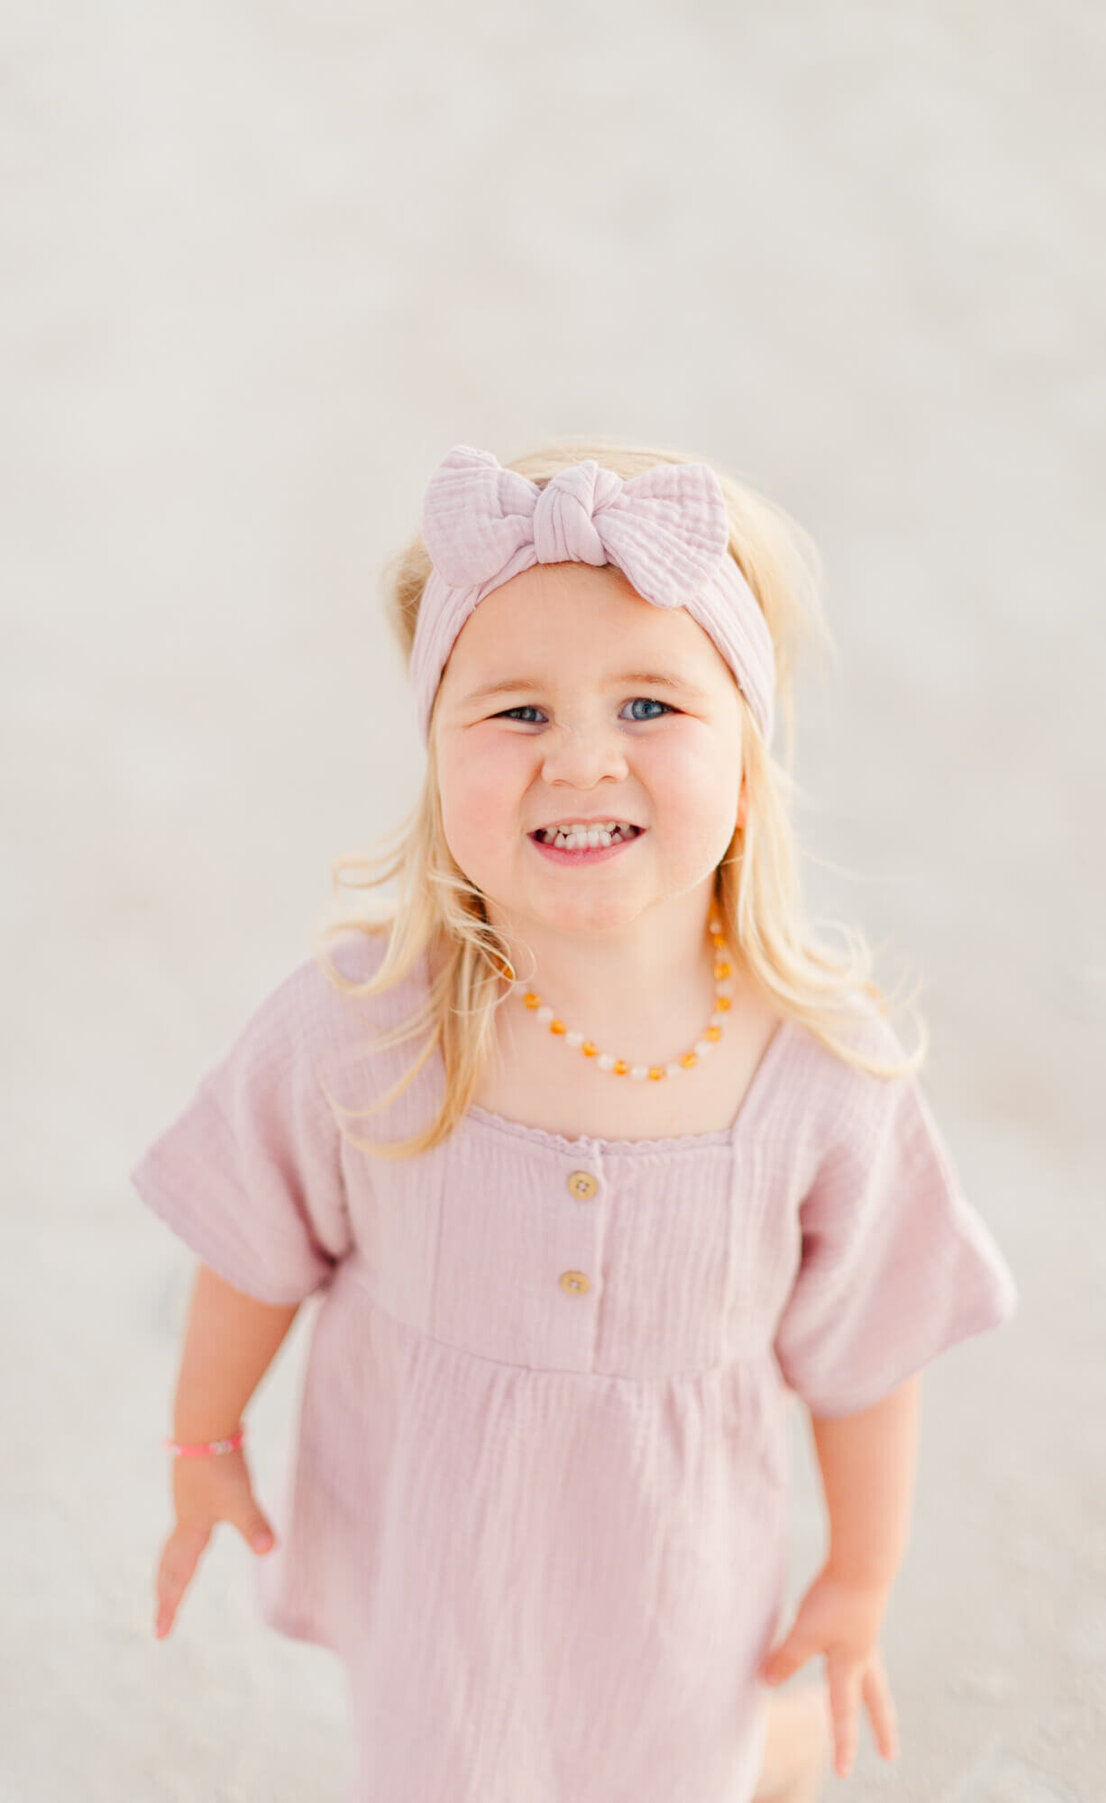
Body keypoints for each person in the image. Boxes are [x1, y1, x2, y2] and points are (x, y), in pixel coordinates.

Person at [132, 440, 1019, 1803]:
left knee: (674, 1767)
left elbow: (868, 1349)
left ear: (748, 754)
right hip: (437, 1548)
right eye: (518, 714)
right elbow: (252, 1241)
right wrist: (207, 1440)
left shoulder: (822, 1077)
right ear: (436, 754)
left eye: (652, 705)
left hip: (678, 1573)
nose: (583, 759)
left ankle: (762, 1754)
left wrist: (858, 1575)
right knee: (443, 1767)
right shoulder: (365, 1027)